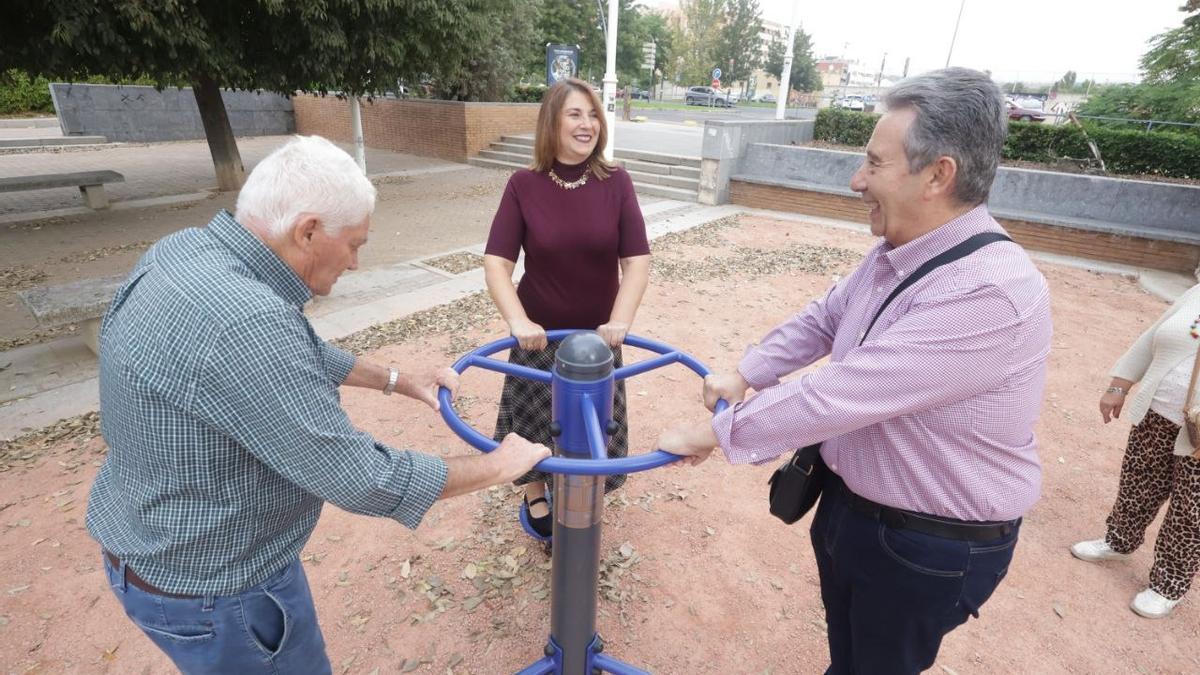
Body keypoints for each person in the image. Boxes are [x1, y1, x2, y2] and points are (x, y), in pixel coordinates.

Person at [85, 135, 551, 675]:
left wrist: (399, 379)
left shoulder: (186, 251)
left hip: (152, 543)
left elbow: (295, 351)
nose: (355, 262)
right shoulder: (246, 322)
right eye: (354, 244)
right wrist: (499, 465)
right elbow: (364, 478)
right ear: (307, 230)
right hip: (220, 584)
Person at [657, 68, 1053, 674]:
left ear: (937, 175)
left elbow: (842, 393)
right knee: (851, 653)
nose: (856, 180)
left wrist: (714, 433)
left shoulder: (991, 294)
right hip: (854, 506)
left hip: (927, 542)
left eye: (874, 163)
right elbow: (827, 316)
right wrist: (749, 372)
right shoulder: (902, 251)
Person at [483, 78, 651, 538]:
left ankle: (582, 491)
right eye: (575, 114)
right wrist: (519, 320)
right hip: (539, 337)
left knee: (594, 430)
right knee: (537, 424)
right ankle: (535, 491)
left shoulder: (616, 182)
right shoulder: (524, 185)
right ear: (552, 122)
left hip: (598, 343)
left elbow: (636, 260)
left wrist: (620, 321)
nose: (588, 124)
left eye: (593, 114)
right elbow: (497, 262)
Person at [1071, 285, 1200, 618]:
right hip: (1158, 413)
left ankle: (1168, 584)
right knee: (1138, 483)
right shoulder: (1196, 293)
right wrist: (1119, 385)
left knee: (1191, 512)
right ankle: (1119, 541)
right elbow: (1151, 338)